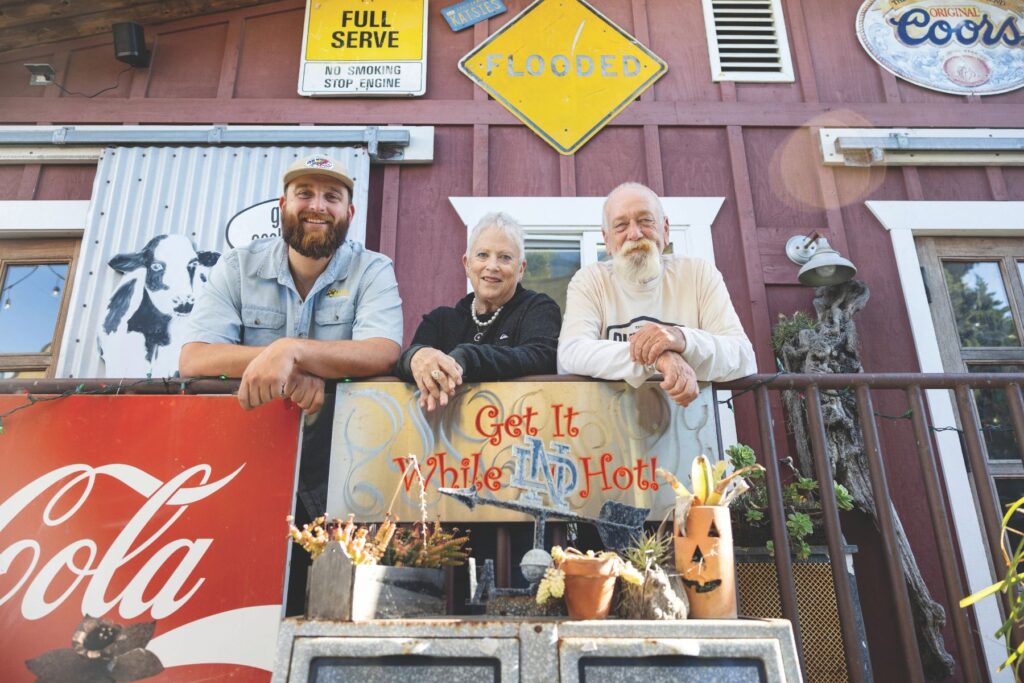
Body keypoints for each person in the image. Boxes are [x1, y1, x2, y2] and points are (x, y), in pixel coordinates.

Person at [179, 153, 403, 414]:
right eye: (305, 194)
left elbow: (382, 353)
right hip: (249, 429)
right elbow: (195, 358)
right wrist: (289, 364)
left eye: (332, 197)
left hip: (343, 434)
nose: (317, 206)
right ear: (283, 205)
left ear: (349, 214)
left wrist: (292, 350)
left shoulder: (372, 269)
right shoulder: (237, 266)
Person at [558, 182, 755, 407]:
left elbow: (742, 356)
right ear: (607, 240)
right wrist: (660, 357)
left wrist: (682, 339)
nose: (634, 233)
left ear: (666, 229)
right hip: (611, 428)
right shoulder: (591, 280)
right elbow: (571, 353)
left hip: (695, 429)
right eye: (621, 226)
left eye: (645, 221)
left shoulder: (698, 273)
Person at [395, 212, 560, 410]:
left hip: (518, 431)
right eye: (482, 255)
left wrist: (467, 357)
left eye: (505, 257)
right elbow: (404, 365)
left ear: (521, 269)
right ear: (467, 264)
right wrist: (416, 356)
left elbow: (541, 358)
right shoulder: (440, 320)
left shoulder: (538, 309)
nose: (492, 266)